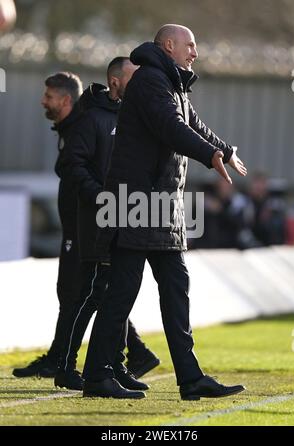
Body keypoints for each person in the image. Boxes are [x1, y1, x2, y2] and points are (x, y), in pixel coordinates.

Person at [82, 24, 247, 400]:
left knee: (174, 288)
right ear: (169, 45)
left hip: (159, 207)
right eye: (190, 45)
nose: (195, 53)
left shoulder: (169, 83)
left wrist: (224, 147)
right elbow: (171, 127)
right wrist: (210, 156)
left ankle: (189, 379)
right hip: (136, 203)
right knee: (123, 291)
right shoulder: (151, 82)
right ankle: (98, 375)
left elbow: (191, 123)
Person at [53, 57, 159, 391]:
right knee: (94, 292)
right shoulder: (92, 118)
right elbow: (72, 164)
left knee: (115, 293)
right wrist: (99, 195)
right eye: (133, 77)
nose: (140, 83)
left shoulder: (135, 117)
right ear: (115, 81)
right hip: (99, 219)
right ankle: (66, 366)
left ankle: (115, 364)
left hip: (128, 216)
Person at [13, 72, 84, 378]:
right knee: (90, 292)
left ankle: (60, 360)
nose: (43, 101)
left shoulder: (81, 129)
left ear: (66, 100)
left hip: (86, 225)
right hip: (81, 223)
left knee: (76, 291)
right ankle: (134, 353)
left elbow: (86, 175)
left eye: (49, 97)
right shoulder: (72, 127)